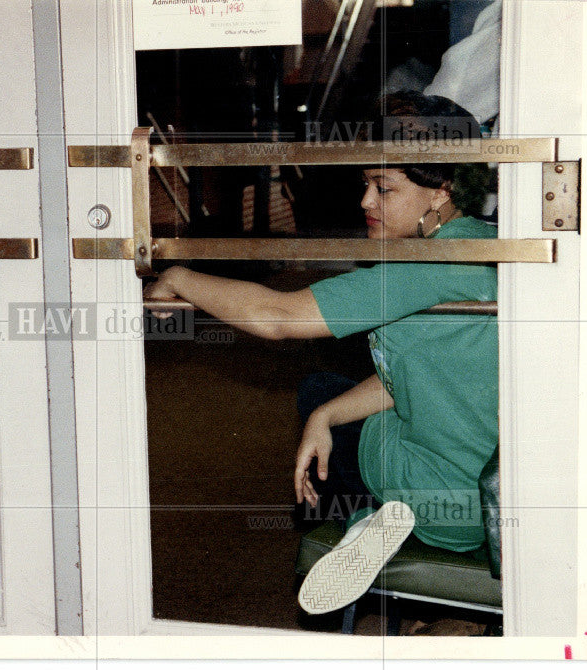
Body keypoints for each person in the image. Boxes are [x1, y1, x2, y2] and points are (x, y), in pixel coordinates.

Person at [144, 92, 498, 615]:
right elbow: (421, 374)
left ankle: (370, 519)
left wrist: (177, 275)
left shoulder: (422, 265)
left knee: (313, 391)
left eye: (384, 188)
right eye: (365, 186)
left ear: (440, 192)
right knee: (325, 404)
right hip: (488, 481)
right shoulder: (484, 242)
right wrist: (327, 417)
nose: (365, 203)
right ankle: (405, 576)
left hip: (447, 500)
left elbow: (277, 317)